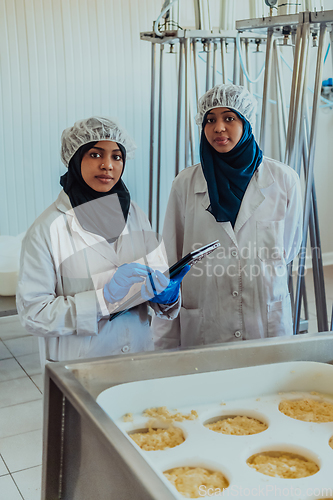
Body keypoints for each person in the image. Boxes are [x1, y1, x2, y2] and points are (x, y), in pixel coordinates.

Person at [16, 116, 188, 367]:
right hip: (81, 366)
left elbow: (155, 278)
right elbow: (34, 314)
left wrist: (166, 297)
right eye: (96, 155)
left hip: (138, 357)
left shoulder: (135, 214)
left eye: (116, 156)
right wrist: (102, 299)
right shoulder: (47, 229)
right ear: (75, 159)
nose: (108, 165)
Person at [153, 84, 303, 349]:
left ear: (246, 122)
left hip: (265, 318)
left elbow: (288, 248)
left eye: (229, 118)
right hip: (207, 319)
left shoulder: (283, 180)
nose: (218, 128)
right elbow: (172, 259)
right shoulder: (185, 184)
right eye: (210, 120)